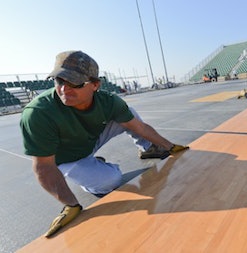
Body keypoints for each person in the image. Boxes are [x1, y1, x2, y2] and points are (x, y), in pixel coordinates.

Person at [19, 50, 189, 237]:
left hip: (89, 141)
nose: (64, 89)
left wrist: (169, 146)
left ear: (95, 85)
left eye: (74, 83)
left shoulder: (108, 102)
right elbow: (44, 167)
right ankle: (89, 168)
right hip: (66, 158)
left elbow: (139, 127)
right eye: (59, 81)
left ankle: (148, 149)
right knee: (110, 180)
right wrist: (71, 204)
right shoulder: (38, 113)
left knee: (127, 113)